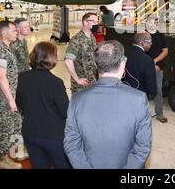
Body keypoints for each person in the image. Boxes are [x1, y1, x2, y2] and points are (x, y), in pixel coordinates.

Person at [64, 40, 152, 169]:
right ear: (123, 63)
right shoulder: (139, 99)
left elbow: (71, 145)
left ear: (95, 64)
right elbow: (143, 147)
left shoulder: (77, 100)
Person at [16, 42, 71, 169]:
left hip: (30, 132)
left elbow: (20, 104)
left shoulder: (22, 77)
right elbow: (65, 111)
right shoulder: (55, 82)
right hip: (53, 135)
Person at [0, 20, 23, 169]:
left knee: (15, 125)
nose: (17, 32)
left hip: (11, 96)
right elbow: (1, 77)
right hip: (3, 99)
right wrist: (10, 100)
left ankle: (14, 153)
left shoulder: (7, 48)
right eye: (14, 30)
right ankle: (2, 160)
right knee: (5, 128)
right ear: (4, 33)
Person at [64, 13, 98, 94]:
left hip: (92, 80)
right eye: (94, 22)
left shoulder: (92, 36)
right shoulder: (76, 40)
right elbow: (68, 61)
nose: (97, 24)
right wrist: (77, 79)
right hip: (82, 85)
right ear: (85, 22)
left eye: (97, 22)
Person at [145, 15, 169, 123]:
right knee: (143, 91)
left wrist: (156, 62)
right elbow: (139, 50)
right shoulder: (142, 35)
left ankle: (159, 113)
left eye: (156, 22)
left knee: (158, 90)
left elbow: (165, 51)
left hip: (158, 67)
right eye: (153, 21)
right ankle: (142, 114)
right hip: (144, 67)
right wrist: (148, 64)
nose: (155, 24)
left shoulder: (161, 36)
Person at [123, 32, 157, 97]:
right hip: (138, 96)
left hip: (123, 92)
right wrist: (152, 93)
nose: (151, 44)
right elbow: (151, 86)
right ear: (142, 42)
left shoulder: (124, 53)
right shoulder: (147, 60)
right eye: (150, 41)